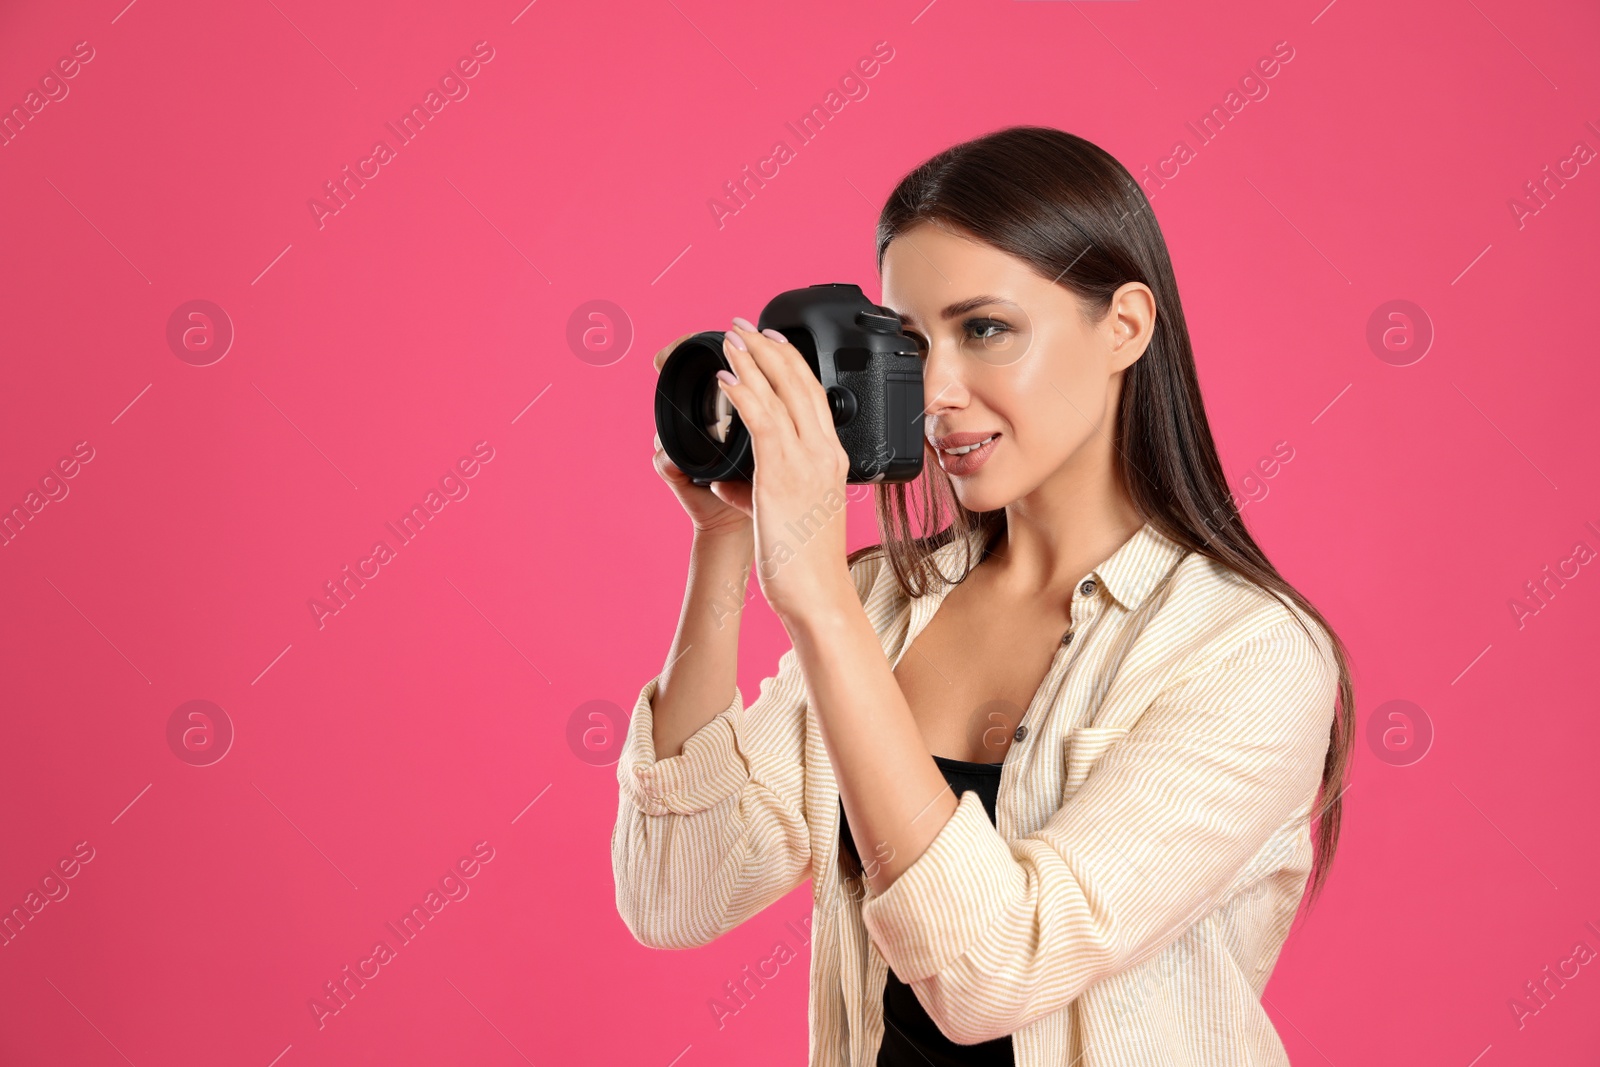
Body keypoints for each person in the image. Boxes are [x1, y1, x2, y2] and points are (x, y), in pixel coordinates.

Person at [613, 125, 1355, 1067]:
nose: (938, 391)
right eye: (914, 345)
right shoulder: (881, 601)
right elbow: (675, 890)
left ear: (1124, 324)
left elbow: (993, 973)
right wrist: (725, 538)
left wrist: (819, 610)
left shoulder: (1246, 651)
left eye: (986, 329)